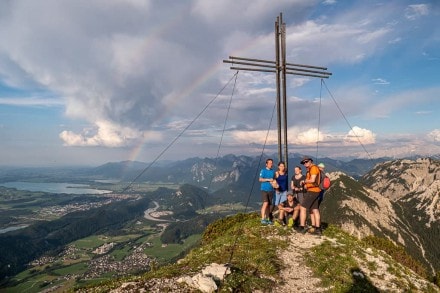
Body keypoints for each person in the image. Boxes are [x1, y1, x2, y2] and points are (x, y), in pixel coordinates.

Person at [297, 156, 322, 235]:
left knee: (303, 208)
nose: (305, 163)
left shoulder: (313, 168)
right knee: (315, 209)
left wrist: (304, 181)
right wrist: (306, 185)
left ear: (311, 161)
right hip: (316, 191)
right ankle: (317, 229)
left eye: (306, 161)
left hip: (313, 191)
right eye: (303, 163)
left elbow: (313, 180)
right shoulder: (310, 169)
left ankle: (302, 227)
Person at [259, 158, 276, 225]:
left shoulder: (273, 171)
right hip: (264, 189)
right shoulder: (263, 170)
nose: (271, 164)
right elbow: (260, 179)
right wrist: (268, 180)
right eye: (269, 163)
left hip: (271, 190)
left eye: (271, 163)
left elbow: (274, 180)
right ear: (266, 164)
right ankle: (263, 219)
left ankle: (268, 219)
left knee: (269, 205)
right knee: (265, 203)